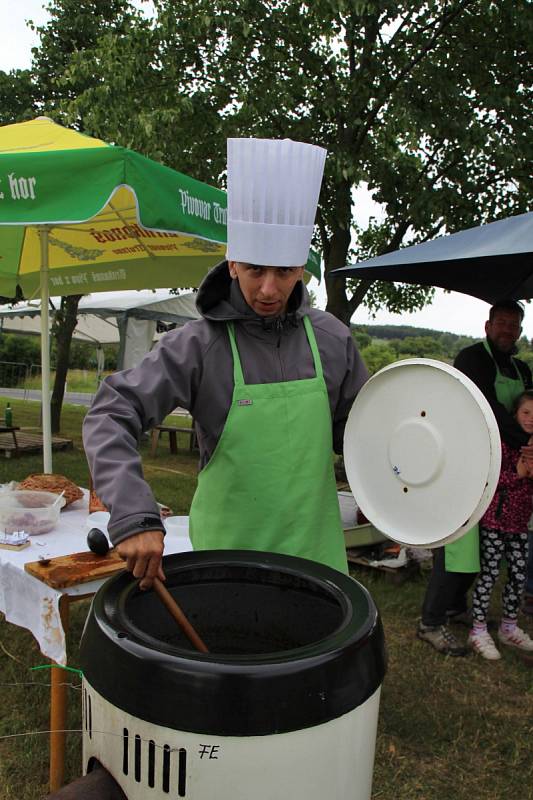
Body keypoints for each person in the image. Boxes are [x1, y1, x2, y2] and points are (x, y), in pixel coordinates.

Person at [83, 137, 368, 588]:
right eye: (256, 270)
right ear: (232, 263)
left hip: (317, 562)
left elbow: (362, 436)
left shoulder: (332, 339)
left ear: (302, 270)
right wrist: (134, 512)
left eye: (285, 272)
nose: (270, 290)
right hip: (228, 564)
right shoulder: (198, 345)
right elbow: (112, 410)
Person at [417, 299, 533, 656]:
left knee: (485, 547)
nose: (507, 331)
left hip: (506, 470)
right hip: (467, 464)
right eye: (501, 323)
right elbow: (491, 411)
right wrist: (528, 443)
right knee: (458, 544)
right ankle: (431, 622)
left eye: (514, 325)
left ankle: (455, 608)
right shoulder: (471, 359)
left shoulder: (522, 369)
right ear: (487, 326)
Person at [468, 390, 533, 659]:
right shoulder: (503, 443)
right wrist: (518, 474)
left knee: (518, 577)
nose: (531, 419)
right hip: (495, 521)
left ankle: (508, 628)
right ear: (514, 415)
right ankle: (478, 630)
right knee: (489, 575)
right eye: (526, 413)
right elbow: (489, 481)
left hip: (519, 525)